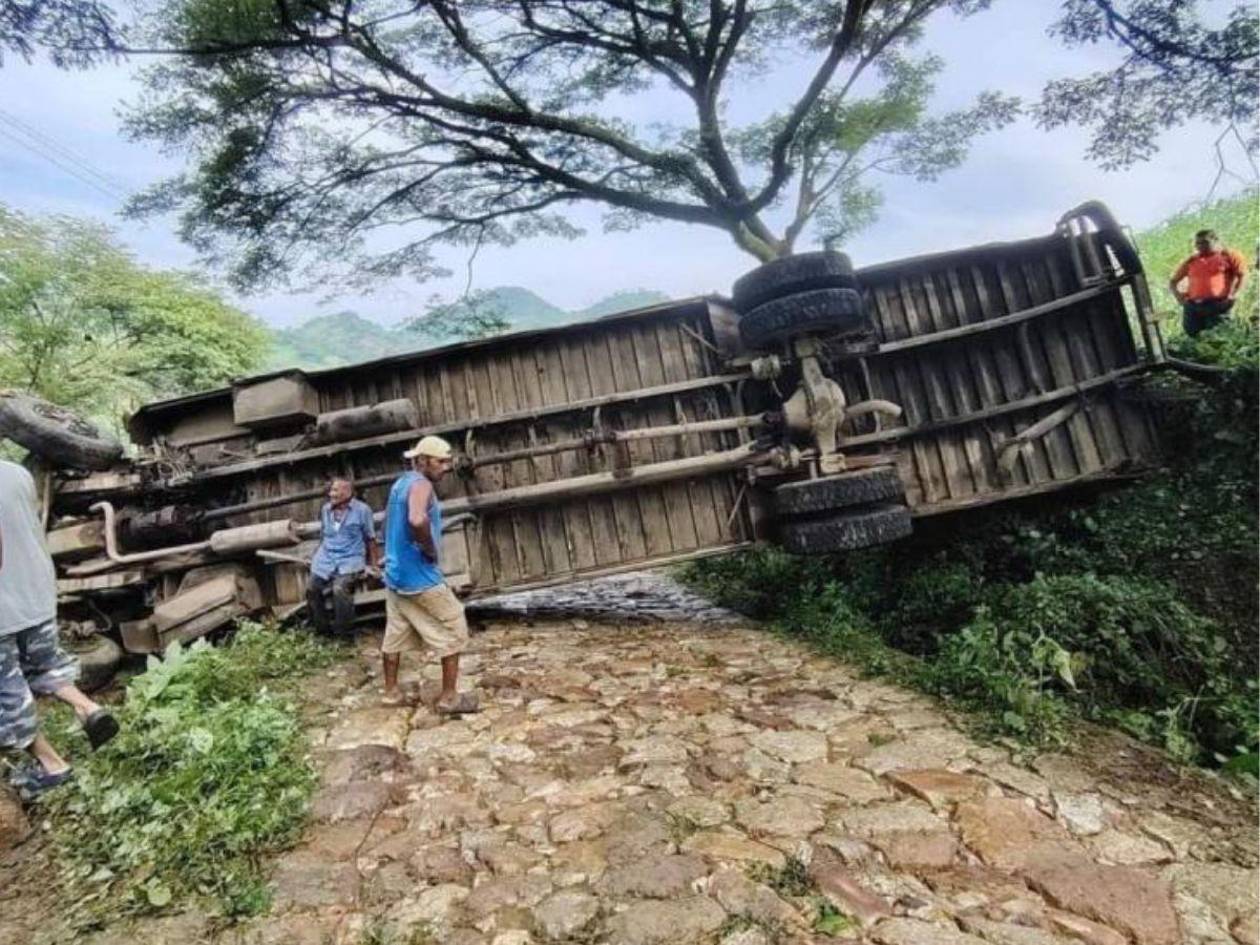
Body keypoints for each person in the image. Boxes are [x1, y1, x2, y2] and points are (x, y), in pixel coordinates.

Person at [0, 459, 119, 797]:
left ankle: (51, 765)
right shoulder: (16, 473)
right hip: (36, 592)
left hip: (3, 609)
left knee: (6, 691)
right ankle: (88, 708)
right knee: (44, 664)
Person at [380, 435, 478, 714]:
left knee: (396, 631)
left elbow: (388, 521)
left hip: (396, 574)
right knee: (454, 624)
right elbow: (416, 519)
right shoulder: (422, 485)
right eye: (440, 462)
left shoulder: (401, 483)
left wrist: (391, 550)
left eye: (447, 462)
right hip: (419, 576)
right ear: (422, 461)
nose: (446, 468)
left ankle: (391, 693)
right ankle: (449, 698)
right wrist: (429, 548)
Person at [307, 476, 378, 639]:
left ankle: (344, 635)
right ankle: (322, 632)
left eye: (335, 490)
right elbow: (324, 536)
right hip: (326, 559)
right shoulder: (326, 509)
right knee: (312, 589)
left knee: (340, 589)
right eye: (331, 490)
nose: (331, 494)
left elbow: (371, 539)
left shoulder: (363, 510)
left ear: (347, 492)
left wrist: (374, 565)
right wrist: (316, 556)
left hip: (350, 560)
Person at [1169, 229, 1248, 337]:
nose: (1200, 246)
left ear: (1216, 241)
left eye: (1205, 242)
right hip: (1193, 307)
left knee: (1219, 337)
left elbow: (1242, 276)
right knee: (1194, 336)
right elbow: (1173, 282)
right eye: (1198, 243)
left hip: (1218, 305)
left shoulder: (1229, 255)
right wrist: (1179, 298)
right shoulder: (1192, 260)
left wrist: (1234, 295)